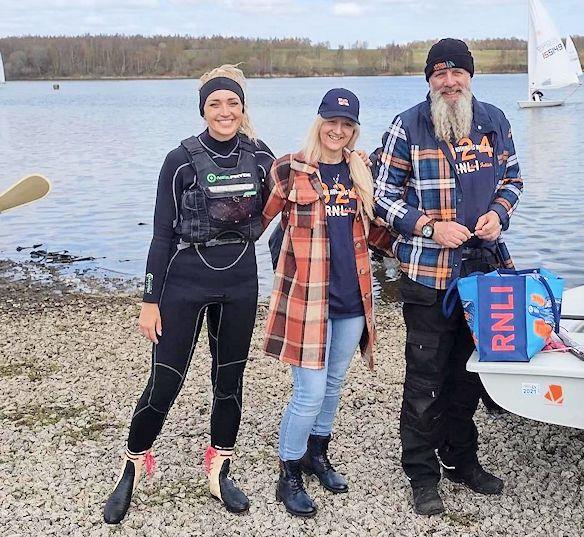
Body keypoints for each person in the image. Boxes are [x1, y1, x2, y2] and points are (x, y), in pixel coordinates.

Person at [103, 65, 275, 524]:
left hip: (239, 281)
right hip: (184, 280)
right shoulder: (179, 160)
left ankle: (219, 468)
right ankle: (134, 464)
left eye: (233, 104)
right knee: (165, 381)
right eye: (215, 104)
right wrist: (148, 298)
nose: (224, 112)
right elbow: (161, 235)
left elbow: (283, 204)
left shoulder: (260, 157)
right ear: (203, 109)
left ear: (243, 109)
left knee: (229, 381)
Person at [374, 38, 523, 516]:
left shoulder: (494, 121)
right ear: (429, 81)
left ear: (470, 77)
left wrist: (500, 213)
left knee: (471, 376)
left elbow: (513, 179)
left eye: (457, 72)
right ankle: (421, 472)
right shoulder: (408, 125)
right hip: (426, 274)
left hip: (486, 270)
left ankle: (461, 459)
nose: (449, 81)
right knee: (425, 379)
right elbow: (383, 198)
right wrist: (430, 226)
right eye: (439, 74)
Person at [262, 88, 388, 518]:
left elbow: (374, 232)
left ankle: (319, 454)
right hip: (308, 300)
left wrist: (421, 243)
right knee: (308, 391)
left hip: (353, 299)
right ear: (319, 121)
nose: (338, 130)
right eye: (331, 121)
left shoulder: (361, 171)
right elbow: (256, 222)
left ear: (354, 130)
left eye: (347, 124)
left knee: (333, 384)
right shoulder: (289, 169)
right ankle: (289, 472)